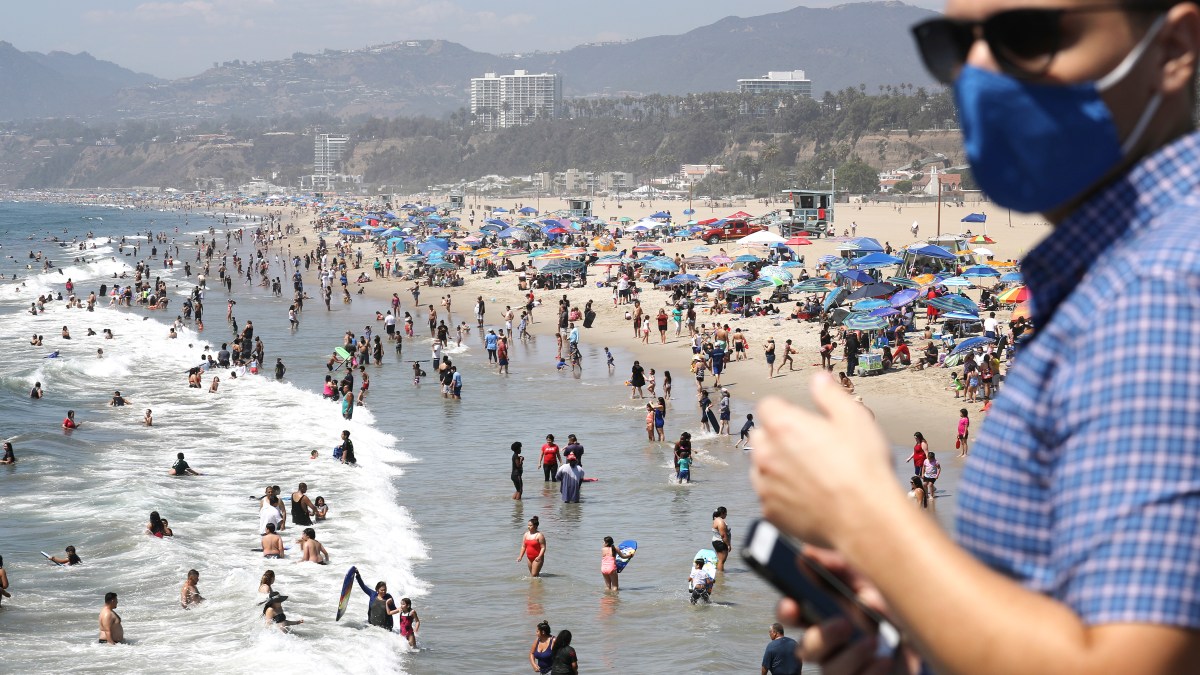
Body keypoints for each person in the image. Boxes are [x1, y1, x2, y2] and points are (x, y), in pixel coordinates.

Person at [711, 506, 731, 571]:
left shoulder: (715, 520)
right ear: (722, 513)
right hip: (721, 542)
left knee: (720, 560)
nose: (726, 515)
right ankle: (720, 576)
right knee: (722, 561)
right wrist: (728, 545)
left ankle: (719, 573)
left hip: (716, 541)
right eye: (726, 513)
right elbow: (723, 535)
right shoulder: (720, 522)